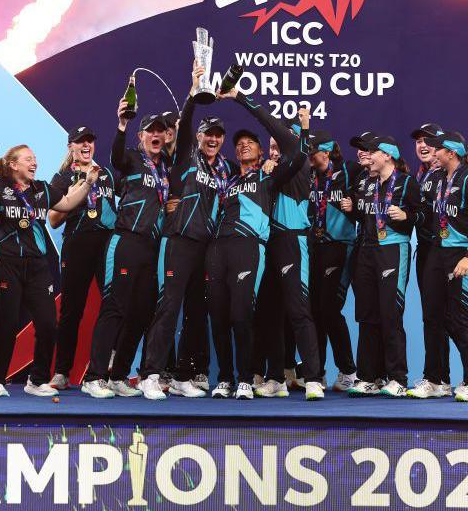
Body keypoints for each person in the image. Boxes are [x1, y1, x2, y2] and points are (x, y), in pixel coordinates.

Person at [208, 92, 319, 400]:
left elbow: (293, 148)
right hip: (263, 246)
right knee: (268, 313)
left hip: (292, 241)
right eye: (270, 146)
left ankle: (312, 379)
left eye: (274, 144)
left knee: (298, 310)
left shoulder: (293, 167)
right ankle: (276, 377)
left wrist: (241, 99)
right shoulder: (245, 177)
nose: (274, 149)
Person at [137, 63, 230, 399]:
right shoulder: (186, 158)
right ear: (198, 137)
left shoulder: (222, 171)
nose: (213, 139)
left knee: (195, 311)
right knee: (168, 307)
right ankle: (150, 374)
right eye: (208, 134)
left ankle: (181, 376)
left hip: (205, 247)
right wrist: (193, 89)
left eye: (219, 136)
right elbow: (186, 120)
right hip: (178, 242)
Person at [80, 98, 179, 399]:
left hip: (152, 247)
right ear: (142, 136)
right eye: (150, 131)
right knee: (115, 308)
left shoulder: (167, 169)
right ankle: (94, 377)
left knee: (141, 314)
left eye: (161, 132)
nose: (156, 135)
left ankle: (120, 375)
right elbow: (116, 156)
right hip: (125, 241)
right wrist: (122, 124)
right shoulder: (133, 159)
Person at [0, 145, 97, 397]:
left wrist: (88, 183)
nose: (34, 163)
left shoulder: (43, 189)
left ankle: (37, 380)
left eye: (35, 159)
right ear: (13, 165)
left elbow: (67, 203)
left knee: (47, 324)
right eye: (28, 160)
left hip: (37, 265)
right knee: (7, 323)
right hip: (7, 263)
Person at [342, 134, 423, 398]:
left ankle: (397, 378)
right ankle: (369, 377)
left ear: (387, 155)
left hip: (392, 249)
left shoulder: (407, 182)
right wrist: (350, 208)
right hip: (366, 249)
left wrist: (407, 216)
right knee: (366, 315)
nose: (366, 156)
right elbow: (363, 212)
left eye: (371, 152)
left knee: (390, 313)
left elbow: (425, 216)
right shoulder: (366, 182)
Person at [420, 131, 468, 402]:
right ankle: (439, 381)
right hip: (438, 253)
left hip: (461, 255)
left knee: (460, 318)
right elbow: (422, 204)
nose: (432, 152)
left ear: (451, 153)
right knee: (436, 316)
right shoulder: (437, 178)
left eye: (437, 149)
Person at [47, 126, 117, 390]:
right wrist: (77, 191)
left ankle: (110, 366)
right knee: (71, 311)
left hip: (106, 245)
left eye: (90, 141)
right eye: (80, 142)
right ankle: (62, 372)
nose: (86, 145)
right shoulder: (62, 177)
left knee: (114, 304)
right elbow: (53, 220)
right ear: (71, 148)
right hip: (77, 245)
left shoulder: (106, 174)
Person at [307, 130, 360, 391]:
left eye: (311, 152)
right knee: (315, 311)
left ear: (325, 153)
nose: (307, 157)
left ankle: (349, 371)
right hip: (314, 247)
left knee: (328, 309)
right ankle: (317, 373)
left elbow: (381, 180)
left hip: (340, 246)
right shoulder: (308, 176)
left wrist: (357, 204)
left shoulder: (349, 171)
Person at [405, 123, 454, 399]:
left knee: (443, 317)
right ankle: (439, 379)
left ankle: (463, 372)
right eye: (418, 141)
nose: (422, 146)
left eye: (429, 142)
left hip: (444, 251)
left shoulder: (449, 176)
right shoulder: (420, 176)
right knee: (432, 317)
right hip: (425, 249)